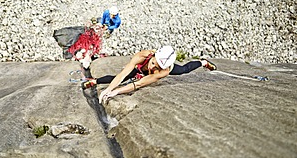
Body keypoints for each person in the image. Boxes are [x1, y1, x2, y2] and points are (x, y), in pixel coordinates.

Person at [81, 46, 217, 104]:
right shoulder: (143, 55)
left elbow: (138, 84)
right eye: (153, 63)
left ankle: (202, 62)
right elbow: (123, 74)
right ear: (153, 56)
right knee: (125, 76)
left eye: (156, 66)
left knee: (183, 69)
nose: (152, 67)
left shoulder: (164, 70)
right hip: (140, 66)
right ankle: (95, 81)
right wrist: (109, 89)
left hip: (159, 71)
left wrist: (116, 92)